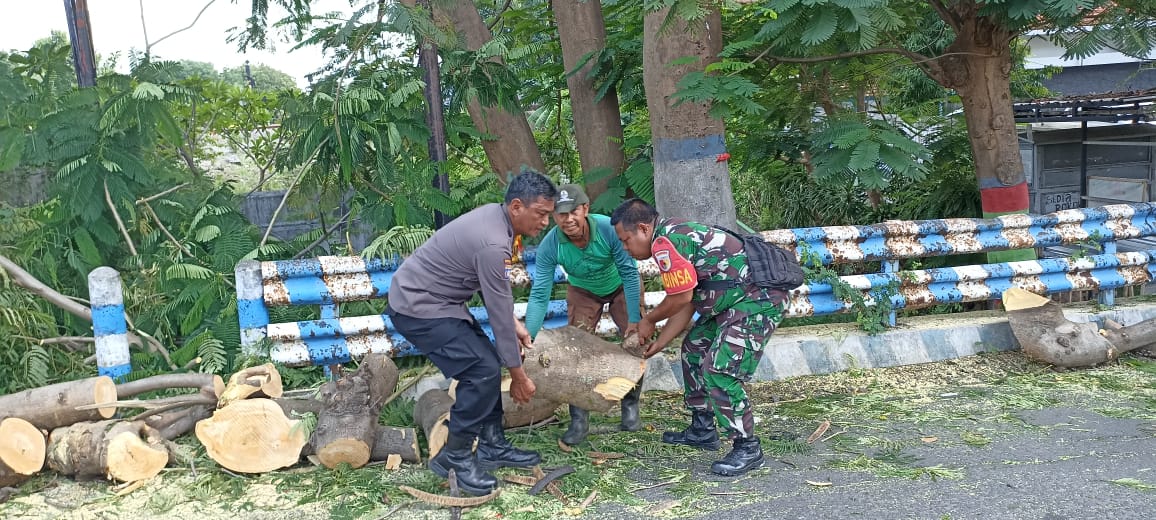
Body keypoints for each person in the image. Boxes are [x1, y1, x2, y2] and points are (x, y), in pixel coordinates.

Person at [386, 172, 558, 495]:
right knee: (481, 371)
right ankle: (455, 456)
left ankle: (492, 444)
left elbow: (499, 297)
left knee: (486, 362)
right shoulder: (493, 242)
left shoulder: (501, 222)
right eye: (541, 214)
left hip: (440, 303)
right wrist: (518, 376)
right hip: (417, 307)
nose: (546, 222)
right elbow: (497, 315)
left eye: (548, 214)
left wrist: (516, 325)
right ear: (517, 206)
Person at [610, 198, 788, 477]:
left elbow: (680, 296)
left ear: (644, 228)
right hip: (733, 301)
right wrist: (660, 342)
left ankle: (747, 446)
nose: (624, 247)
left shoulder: (665, 243)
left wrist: (648, 320)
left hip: (757, 300)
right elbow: (688, 302)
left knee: (719, 369)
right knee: (694, 349)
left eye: (625, 239)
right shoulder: (673, 235)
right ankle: (703, 428)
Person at [523, 184, 645, 446]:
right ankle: (579, 419)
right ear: (553, 216)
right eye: (560, 214)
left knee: (636, 343)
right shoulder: (551, 245)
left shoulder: (607, 229)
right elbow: (540, 293)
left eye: (573, 212)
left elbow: (629, 272)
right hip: (583, 291)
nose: (568, 220)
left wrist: (635, 318)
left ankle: (630, 406)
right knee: (573, 350)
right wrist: (528, 337)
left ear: (586, 209)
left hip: (622, 286)